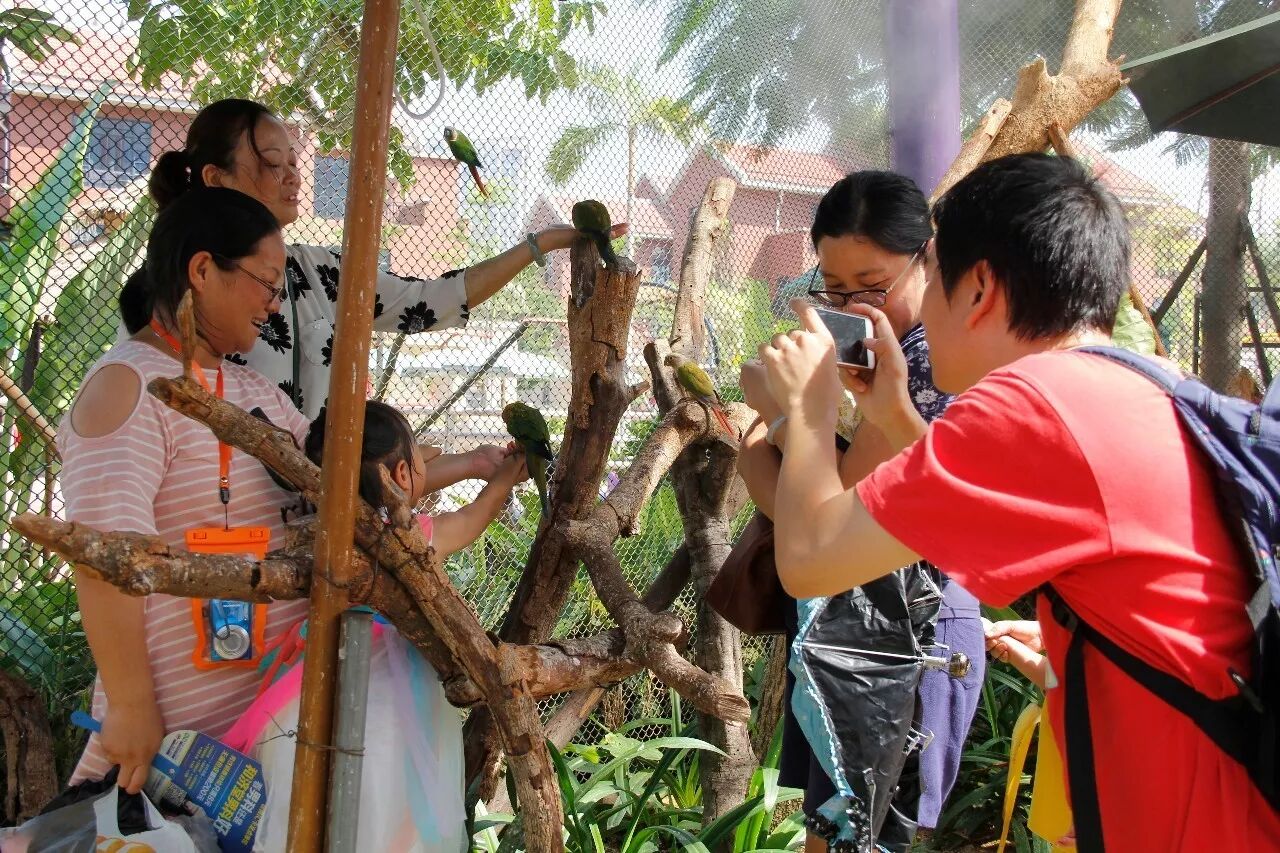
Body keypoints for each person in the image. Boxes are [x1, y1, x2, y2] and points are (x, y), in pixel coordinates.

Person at [758, 153, 1280, 850]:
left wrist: (808, 408)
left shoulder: (1031, 407)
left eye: (931, 277)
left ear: (978, 289)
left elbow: (810, 561)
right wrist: (891, 413)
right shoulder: (1141, 381)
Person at [118, 98, 625, 484]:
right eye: (274, 162)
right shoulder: (163, 305)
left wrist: (540, 244)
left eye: (295, 160)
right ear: (216, 178)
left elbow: (430, 300)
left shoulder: (319, 270)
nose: (294, 175)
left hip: (316, 513)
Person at [736, 171, 982, 851]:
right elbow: (811, 514)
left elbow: (824, 524)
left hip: (904, 641)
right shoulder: (887, 362)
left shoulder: (926, 366)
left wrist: (782, 422)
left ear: (928, 260)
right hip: (859, 638)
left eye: (874, 286)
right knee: (834, 836)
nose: (854, 310)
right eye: (835, 291)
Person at [60, 187, 310, 791]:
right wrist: (129, 704)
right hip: (168, 749)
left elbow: (339, 474)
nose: (275, 305)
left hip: (254, 738)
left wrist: (474, 465)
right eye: (266, 283)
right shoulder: (129, 383)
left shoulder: (255, 393)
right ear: (202, 270)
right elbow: (105, 556)